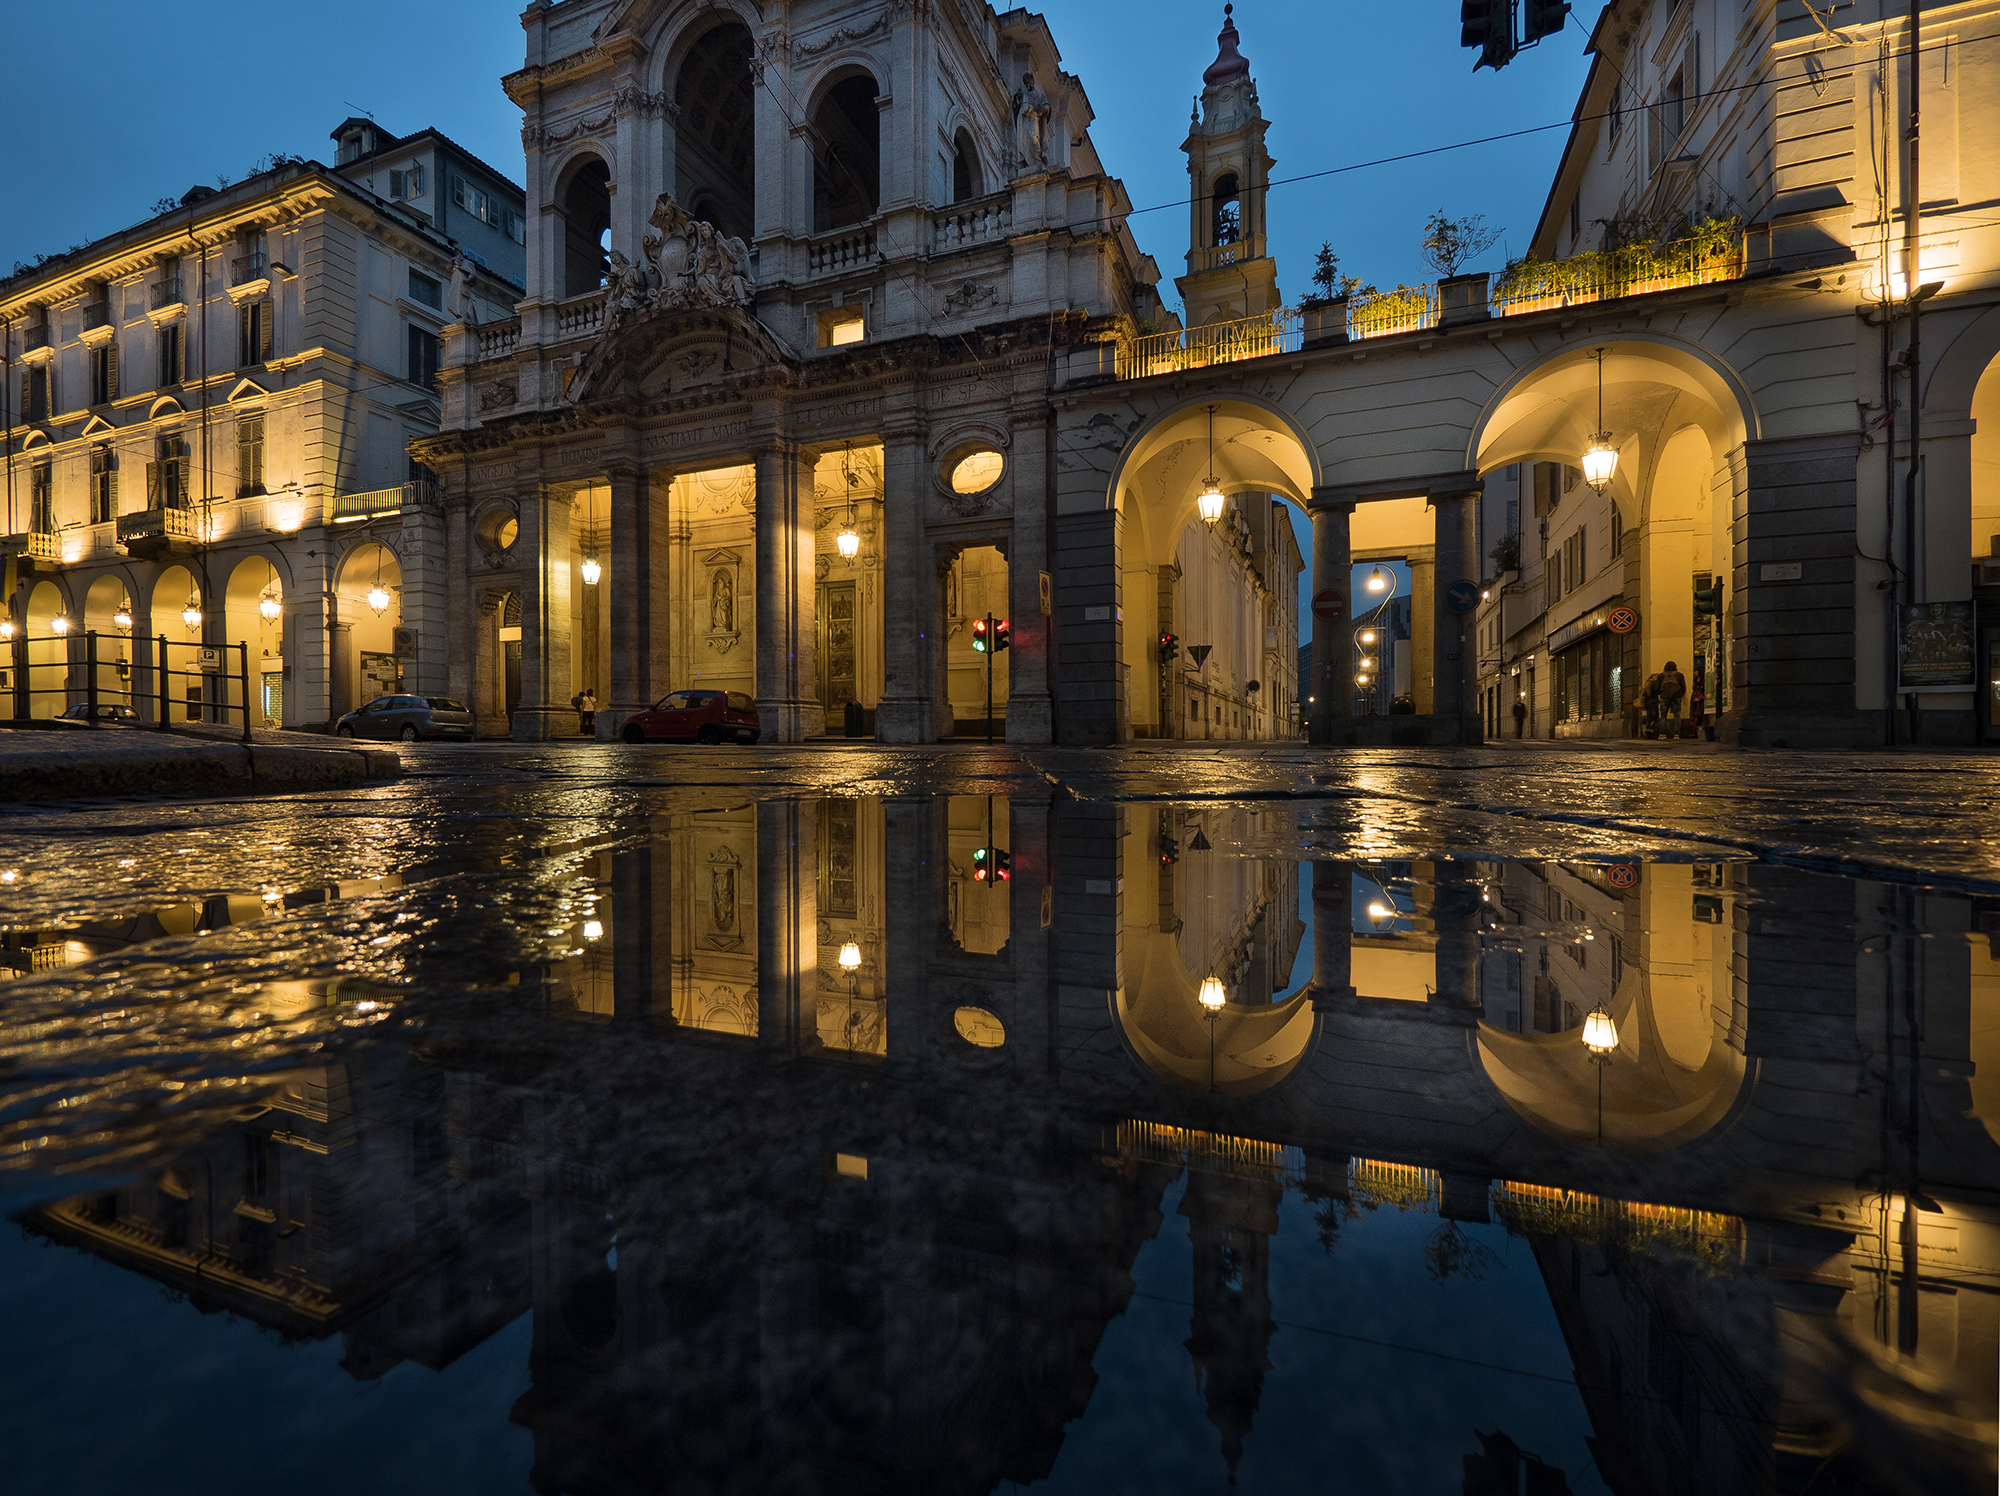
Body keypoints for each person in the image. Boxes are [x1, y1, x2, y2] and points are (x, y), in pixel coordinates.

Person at [1657, 660, 1687, 740]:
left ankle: (1663, 734)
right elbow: (1683, 687)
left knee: (1663, 716)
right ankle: (1676, 734)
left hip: (1664, 698)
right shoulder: (1679, 675)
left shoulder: (1661, 676)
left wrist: (1661, 694)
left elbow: (1656, 687)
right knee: (1677, 715)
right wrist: (1679, 695)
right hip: (1676, 697)